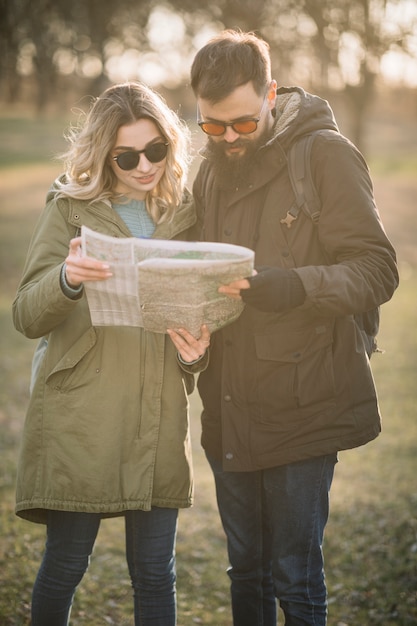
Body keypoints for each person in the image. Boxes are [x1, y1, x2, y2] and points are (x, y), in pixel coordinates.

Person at [189, 30, 399, 625]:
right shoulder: (208, 170)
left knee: (293, 576)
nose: (228, 139)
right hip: (227, 404)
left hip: (307, 404)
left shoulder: (325, 154)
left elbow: (377, 269)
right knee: (245, 571)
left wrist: (293, 286)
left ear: (272, 95)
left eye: (243, 124)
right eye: (212, 126)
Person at [12, 81, 211, 626]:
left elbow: (198, 316)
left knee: (155, 573)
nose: (145, 165)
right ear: (104, 155)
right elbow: (27, 315)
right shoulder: (69, 209)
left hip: (157, 413)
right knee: (66, 563)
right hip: (83, 417)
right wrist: (67, 279)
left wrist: (195, 354)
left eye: (157, 149)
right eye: (127, 156)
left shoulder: (186, 212)